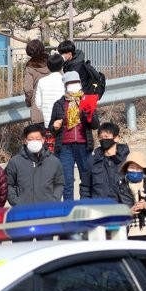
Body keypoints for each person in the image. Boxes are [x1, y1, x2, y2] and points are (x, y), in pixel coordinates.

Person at [49, 70, 98, 201]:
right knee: (67, 181)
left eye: (76, 82)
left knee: (87, 177)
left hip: (84, 145)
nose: (73, 85)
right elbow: (51, 128)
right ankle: (69, 209)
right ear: (65, 85)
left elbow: (95, 125)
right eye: (70, 83)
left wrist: (89, 115)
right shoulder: (59, 104)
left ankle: (86, 206)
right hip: (65, 148)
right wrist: (55, 126)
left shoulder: (87, 101)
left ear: (80, 83)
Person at [5, 124, 64, 205]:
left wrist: (54, 201)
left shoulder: (54, 162)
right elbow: (8, 184)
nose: (34, 142)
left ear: (43, 140)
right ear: (25, 140)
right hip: (23, 211)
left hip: (47, 210)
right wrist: (16, 202)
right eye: (31, 139)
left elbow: (59, 184)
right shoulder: (15, 162)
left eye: (37, 139)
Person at [83, 121, 130, 200]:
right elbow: (85, 188)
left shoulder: (127, 160)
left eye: (106, 137)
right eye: (101, 137)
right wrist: (86, 204)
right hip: (99, 207)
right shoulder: (92, 161)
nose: (103, 140)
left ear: (116, 138)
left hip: (122, 207)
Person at [34, 53, 66, 135]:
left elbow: (38, 103)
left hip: (48, 120)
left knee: (50, 146)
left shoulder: (42, 81)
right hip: (63, 120)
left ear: (48, 66)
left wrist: (45, 111)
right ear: (62, 66)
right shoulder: (65, 80)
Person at [22, 39, 50, 126]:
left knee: (40, 137)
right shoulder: (53, 62)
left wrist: (29, 102)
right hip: (56, 106)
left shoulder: (30, 66)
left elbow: (28, 89)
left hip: (38, 106)